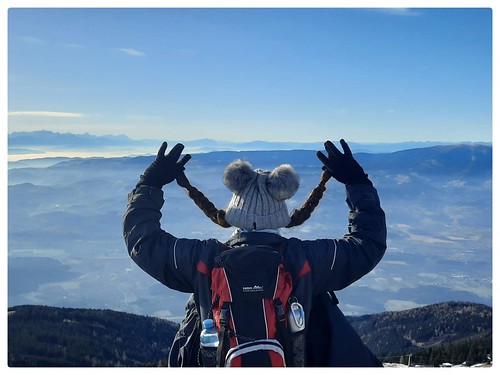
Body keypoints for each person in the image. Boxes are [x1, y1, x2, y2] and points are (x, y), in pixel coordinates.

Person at [123, 139, 387, 367]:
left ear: (233, 214)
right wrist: (357, 182)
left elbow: (143, 242)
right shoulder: (305, 259)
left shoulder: (203, 259)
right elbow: (367, 244)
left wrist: (150, 184)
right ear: (280, 216)